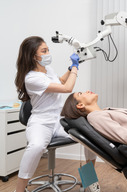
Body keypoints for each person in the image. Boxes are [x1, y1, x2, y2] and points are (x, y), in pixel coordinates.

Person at [14, 36, 96, 192]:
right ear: (33, 56)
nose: (47, 53)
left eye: (48, 49)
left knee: (90, 134)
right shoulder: (31, 78)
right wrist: (76, 68)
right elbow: (67, 89)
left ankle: (89, 182)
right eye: (43, 51)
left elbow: (60, 82)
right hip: (41, 122)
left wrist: (70, 67)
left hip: (58, 121)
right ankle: (18, 190)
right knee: (36, 146)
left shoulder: (47, 70)